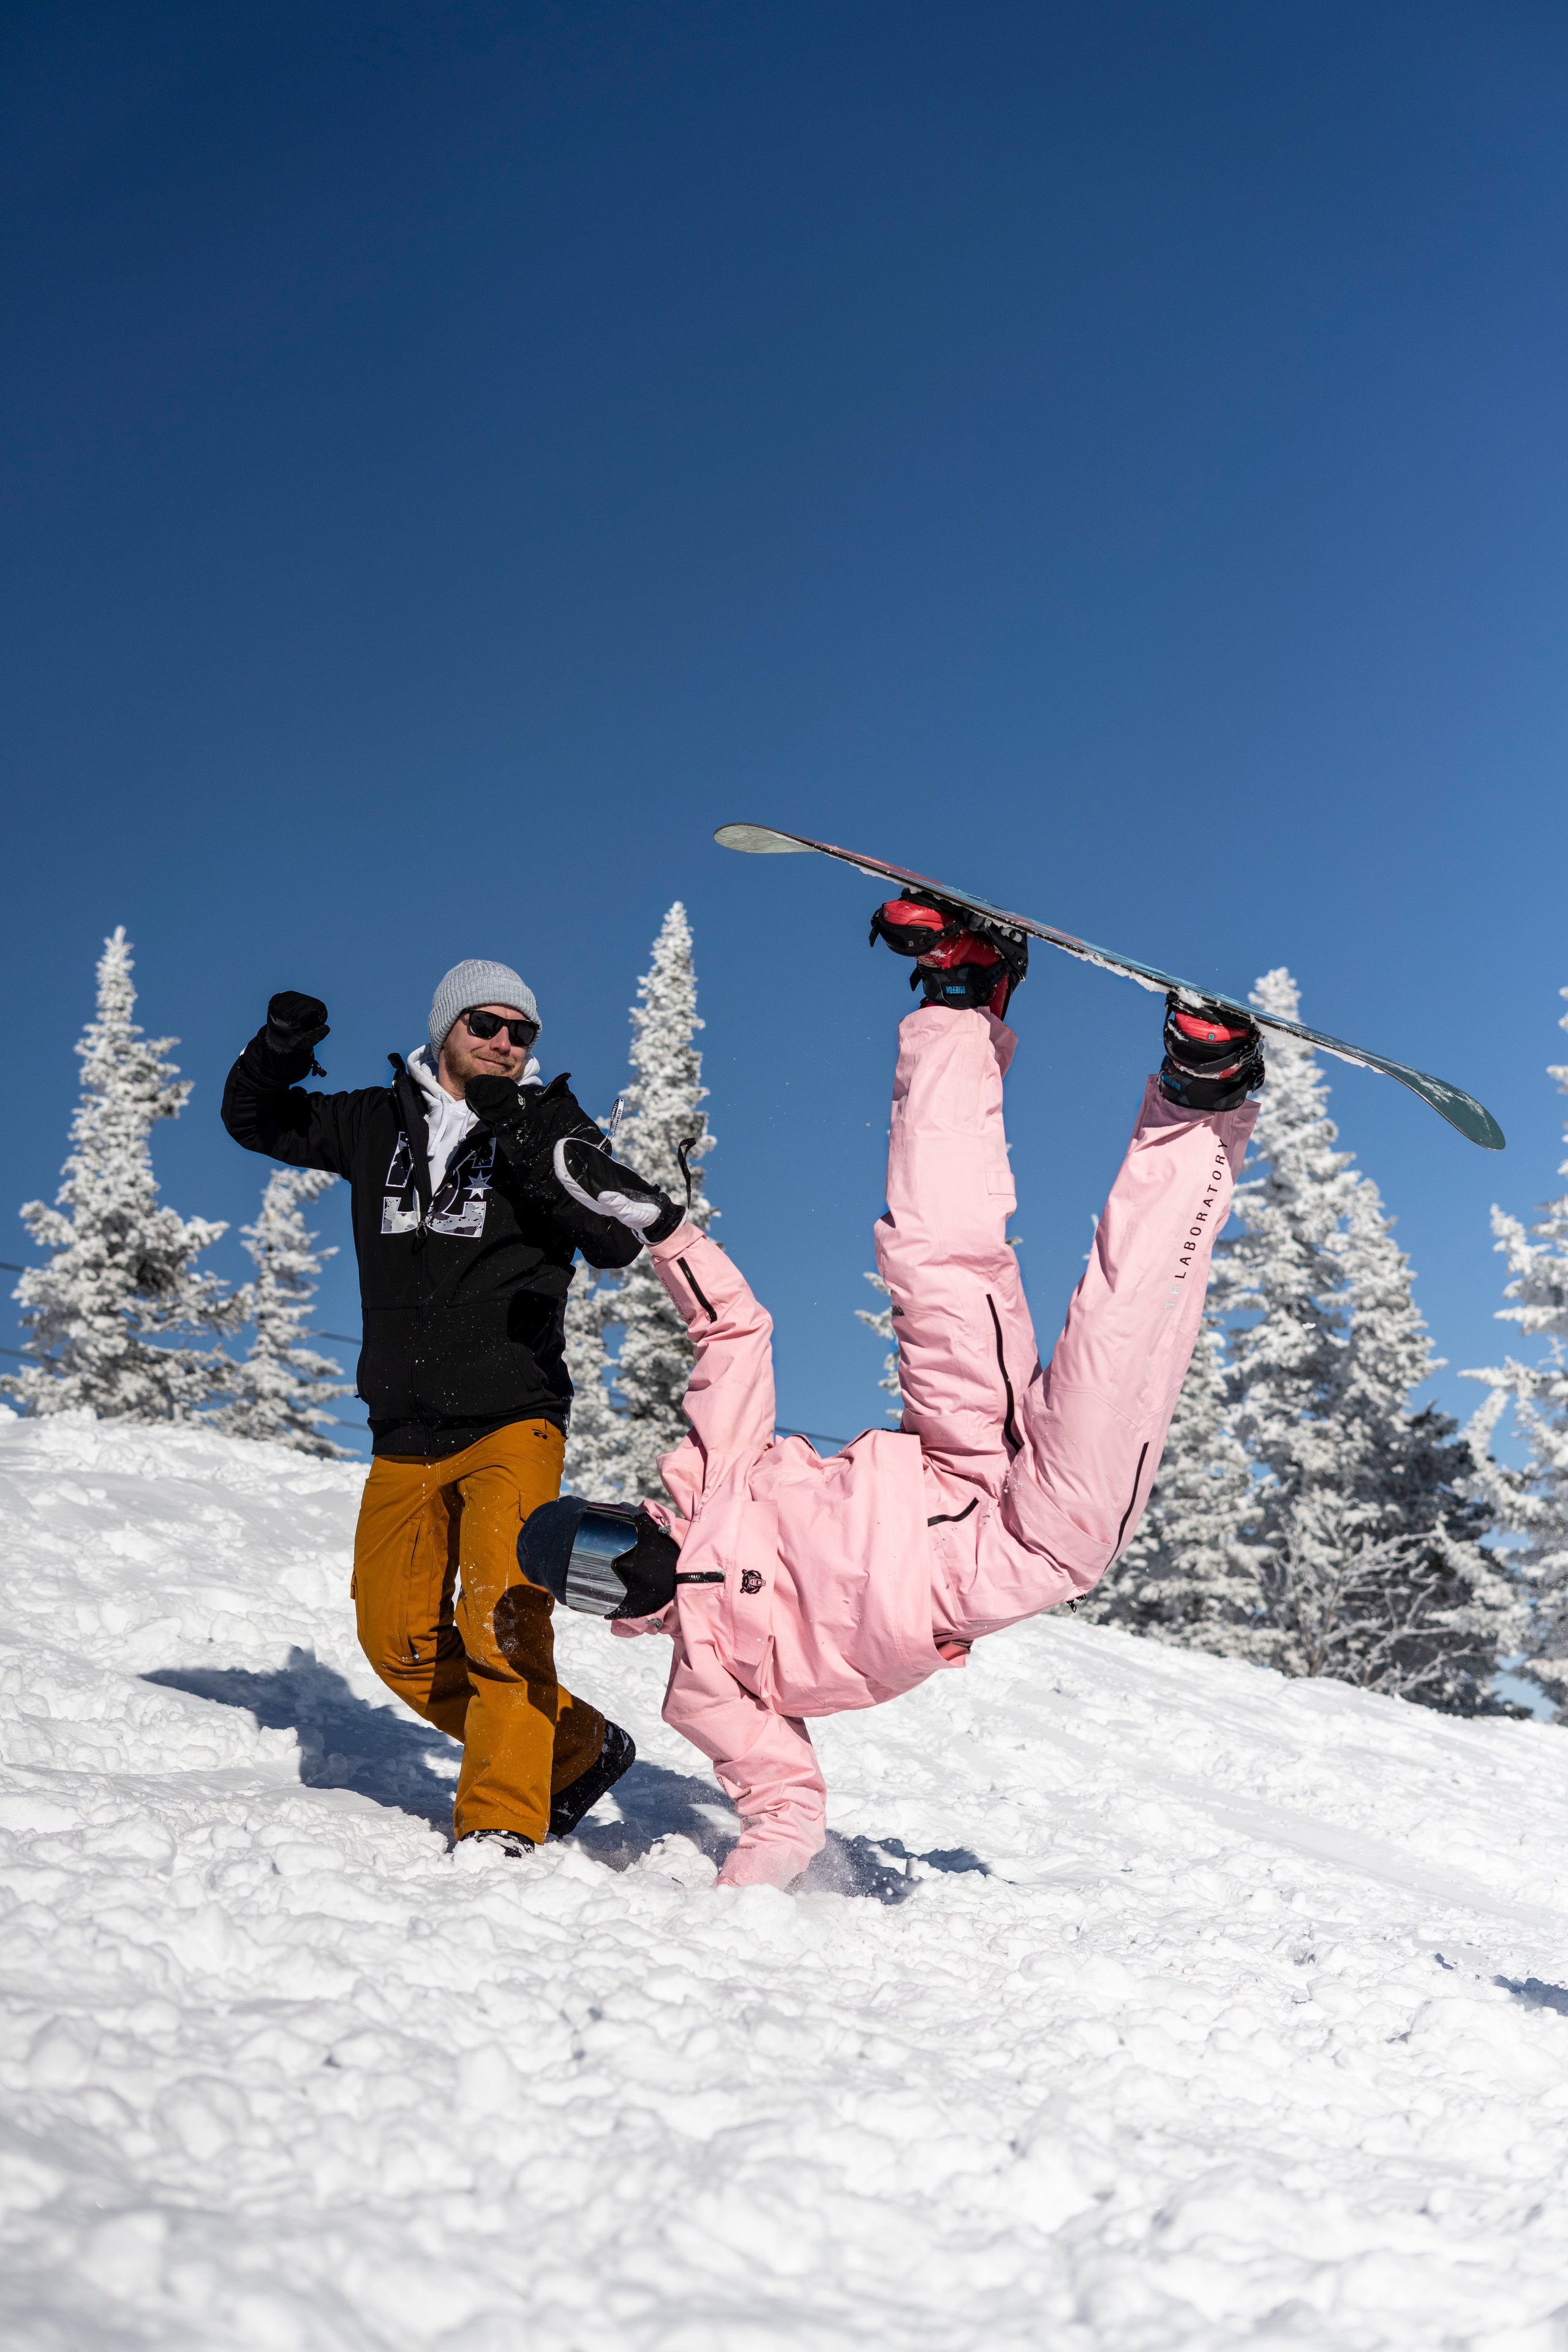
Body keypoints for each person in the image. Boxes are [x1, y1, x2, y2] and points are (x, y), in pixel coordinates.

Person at [512, 903, 1264, 1890]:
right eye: (594, 1581)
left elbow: (732, 1332)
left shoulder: (709, 1479)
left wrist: (665, 1233)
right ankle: (1201, 1101)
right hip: (1030, 1546)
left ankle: (964, 995)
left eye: (603, 1540)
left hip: (950, 1451)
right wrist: (732, 1916)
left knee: (930, 1254)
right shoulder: (704, 1690)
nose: (620, 1566)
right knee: (1126, 1330)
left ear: (620, 1512)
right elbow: (786, 1809)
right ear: (597, 1609)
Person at [221, 959, 646, 1856]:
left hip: (513, 1418)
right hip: (404, 1427)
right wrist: (280, 1049)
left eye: (521, 1032)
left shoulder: (553, 1123)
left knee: (501, 1621)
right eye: (485, 1025)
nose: (503, 1043)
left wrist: (523, 1138)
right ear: (445, 1027)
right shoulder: (374, 1122)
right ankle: (574, 1746)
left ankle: (501, 1823)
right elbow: (254, 1121)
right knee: (397, 1641)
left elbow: (613, 1237)